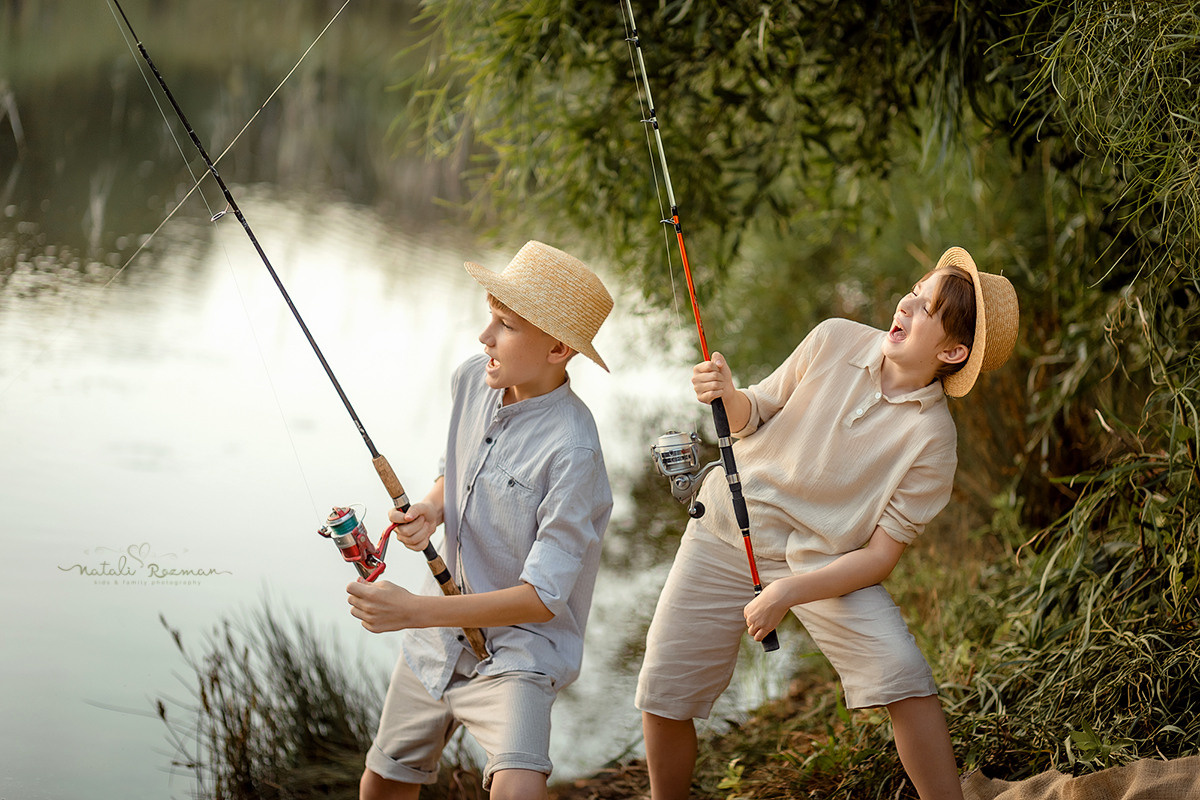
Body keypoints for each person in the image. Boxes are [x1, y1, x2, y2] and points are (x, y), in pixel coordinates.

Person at [637, 246, 1019, 800]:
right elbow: (753, 414)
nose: (905, 305)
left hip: (822, 564)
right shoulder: (833, 337)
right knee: (664, 691)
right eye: (913, 292)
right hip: (725, 527)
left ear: (953, 351)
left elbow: (879, 558)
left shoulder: (934, 441)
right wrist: (728, 393)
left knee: (904, 675)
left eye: (925, 308)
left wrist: (787, 592)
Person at [347, 240, 615, 800]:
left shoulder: (575, 451)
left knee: (518, 786)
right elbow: (456, 471)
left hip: (520, 650)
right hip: (435, 640)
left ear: (559, 348)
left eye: (506, 325)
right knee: (383, 782)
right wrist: (431, 508)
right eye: (490, 317)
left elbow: (542, 598)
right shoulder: (474, 378)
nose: (484, 336)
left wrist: (414, 611)